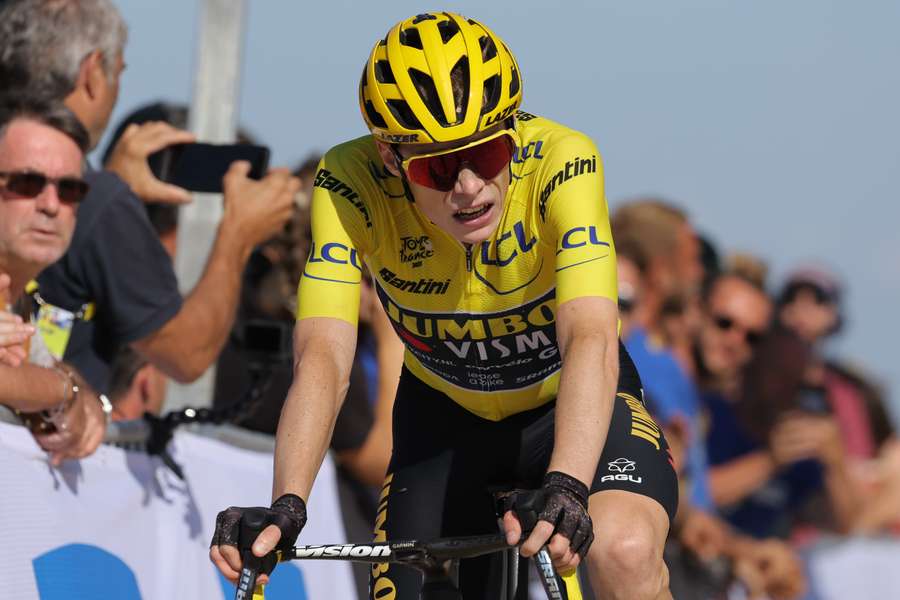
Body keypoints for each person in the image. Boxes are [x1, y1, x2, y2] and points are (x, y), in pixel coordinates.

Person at [211, 12, 678, 600]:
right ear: (388, 158)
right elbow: (325, 354)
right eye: (435, 166)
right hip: (445, 419)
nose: (468, 187)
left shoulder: (563, 160)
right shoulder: (346, 182)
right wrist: (288, 501)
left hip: (572, 403)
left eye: (486, 156)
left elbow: (589, 334)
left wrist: (567, 486)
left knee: (625, 553)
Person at [0, 0, 300, 395]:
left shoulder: (91, 194)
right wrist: (238, 234)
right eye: (119, 73)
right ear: (93, 73)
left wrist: (109, 186)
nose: (53, 203)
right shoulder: (105, 203)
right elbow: (185, 354)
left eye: (72, 190)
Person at [0, 97, 109, 465]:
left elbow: (36, 372)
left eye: (69, 190)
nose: (50, 204)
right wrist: (63, 391)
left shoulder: (21, 301)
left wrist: (75, 390)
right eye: (27, 183)